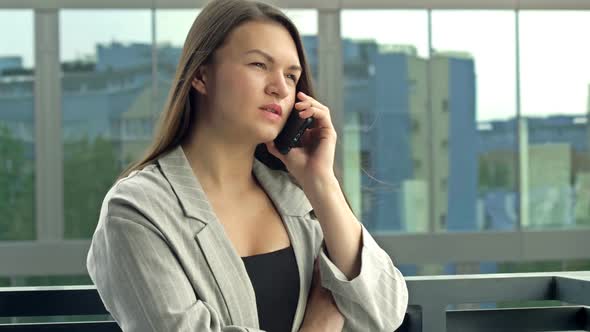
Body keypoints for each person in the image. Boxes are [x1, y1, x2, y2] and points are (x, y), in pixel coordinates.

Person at [86, 0, 408, 331]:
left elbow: (385, 313)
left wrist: (322, 182)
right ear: (201, 75)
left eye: (291, 75)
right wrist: (319, 323)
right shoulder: (136, 211)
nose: (281, 88)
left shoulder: (298, 196)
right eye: (258, 64)